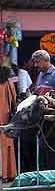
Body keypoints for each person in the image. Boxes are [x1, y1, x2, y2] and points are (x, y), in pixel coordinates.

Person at [0, 53, 17, 182]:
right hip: (6, 120)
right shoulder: (9, 83)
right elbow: (13, 101)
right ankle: (8, 174)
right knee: (7, 146)